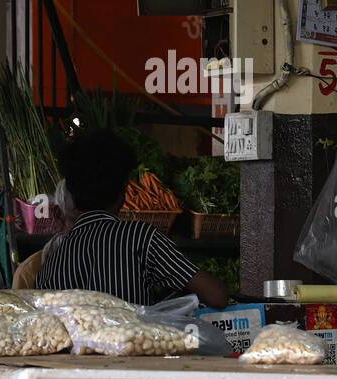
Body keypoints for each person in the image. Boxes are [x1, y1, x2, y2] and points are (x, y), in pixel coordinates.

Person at [36, 130, 230, 308]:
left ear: (72, 193)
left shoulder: (54, 259)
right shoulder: (140, 237)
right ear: (123, 192)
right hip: (132, 346)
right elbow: (217, 295)